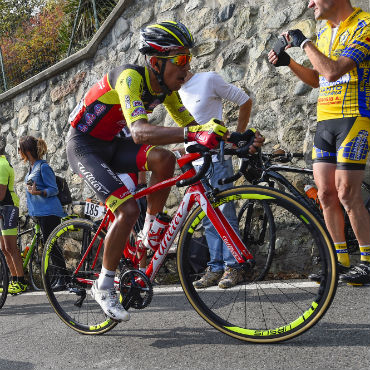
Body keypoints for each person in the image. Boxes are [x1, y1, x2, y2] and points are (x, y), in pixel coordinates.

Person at [66, 21, 264, 321]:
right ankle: (104, 285)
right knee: (127, 209)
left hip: (112, 144)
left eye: (189, 60)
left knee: (164, 160)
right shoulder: (129, 77)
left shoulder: (167, 91)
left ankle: (149, 232)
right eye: (180, 60)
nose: (187, 68)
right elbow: (140, 132)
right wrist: (192, 135)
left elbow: (192, 128)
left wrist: (236, 140)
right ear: (156, 61)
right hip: (84, 146)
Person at [268, 0, 370, 285]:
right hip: (325, 121)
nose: (309, 3)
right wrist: (290, 63)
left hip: (354, 117)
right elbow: (317, 79)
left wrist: (303, 43)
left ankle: (368, 261)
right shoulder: (324, 33)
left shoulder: (365, 26)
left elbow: (333, 71)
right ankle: (339, 262)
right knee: (325, 195)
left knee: (347, 193)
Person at [179, 70, 253, 289]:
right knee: (206, 217)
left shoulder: (207, 79)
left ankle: (234, 266)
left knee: (224, 212)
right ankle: (215, 267)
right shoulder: (174, 92)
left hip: (216, 158)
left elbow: (244, 100)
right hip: (194, 161)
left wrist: (236, 140)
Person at [18, 136, 67, 287]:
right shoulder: (32, 167)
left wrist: (38, 192)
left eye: (20, 149)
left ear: (27, 151)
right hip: (40, 213)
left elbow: (53, 189)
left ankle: (63, 278)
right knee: (48, 246)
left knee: (51, 245)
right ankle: (59, 277)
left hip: (49, 212)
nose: (18, 152)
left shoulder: (43, 167)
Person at [0, 136, 27, 294]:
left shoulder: (2, 164)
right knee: (4, 248)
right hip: (3, 209)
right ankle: (13, 279)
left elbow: (1, 194)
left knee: (11, 246)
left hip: (8, 207)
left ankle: (21, 281)